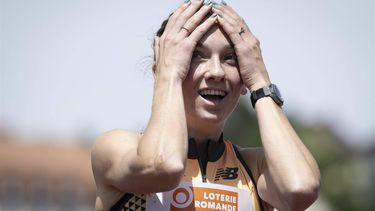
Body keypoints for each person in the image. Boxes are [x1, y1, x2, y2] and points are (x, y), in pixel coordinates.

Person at [91, 0, 321, 210]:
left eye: (230, 58)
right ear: (161, 69)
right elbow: (164, 166)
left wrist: (261, 83)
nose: (217, 72)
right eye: (195, 55)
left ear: (244, 78)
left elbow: (299, 190)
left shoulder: (254, 167)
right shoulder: (117, 148)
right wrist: (169, 75)